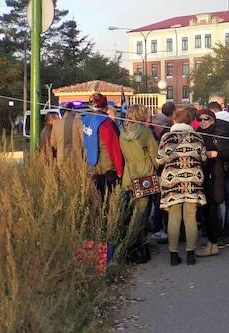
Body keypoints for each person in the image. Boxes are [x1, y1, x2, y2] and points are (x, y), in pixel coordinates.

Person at [157, 108, 207, 266]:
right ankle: (190, 254)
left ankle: (173, 254)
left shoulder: (166, 137)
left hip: (172, 182)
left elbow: (159, 159)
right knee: (191, 218)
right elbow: (203, 157)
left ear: (174, 120)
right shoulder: (197, 137)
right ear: (189, 120)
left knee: (174, 218)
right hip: (193, 180)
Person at [118, 104, 159, 264]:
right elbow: (156, 156)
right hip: (144, 177)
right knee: (141, 215)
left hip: (129, 176)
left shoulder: (123, 133)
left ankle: (133, 247)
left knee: (133, 213)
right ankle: (136, 249)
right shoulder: (145, 132)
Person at [208, 101, 229, 248]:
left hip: (216, 167)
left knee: (216, 200)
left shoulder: (212, 126)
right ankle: (227, 234)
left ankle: (216, 231)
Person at [82, 93, 125, 203]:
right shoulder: (106, 123)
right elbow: (114, 148)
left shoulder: (86, 120)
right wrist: (120, 170)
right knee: (108, 201)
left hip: (92, 166)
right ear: (105, 106)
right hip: (107, 169)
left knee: (97, 200)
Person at [194, 108, 225, 257]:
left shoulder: (218, 132)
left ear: (212, 119)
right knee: (206, 211)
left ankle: (213, 244)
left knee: (212, 210)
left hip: (215, 176)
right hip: (202, 176)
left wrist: (216, 153)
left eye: (206, 118)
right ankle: (211, 243)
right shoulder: (197, 133)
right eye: (200, 119)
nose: (203, 122)